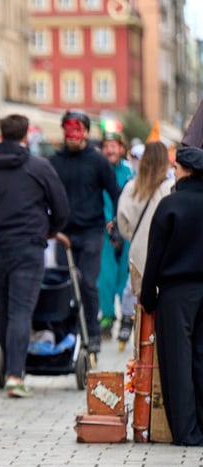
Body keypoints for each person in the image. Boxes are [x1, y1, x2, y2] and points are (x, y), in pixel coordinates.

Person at [0, 114, 69, 397]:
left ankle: (11, 366)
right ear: (27, 136)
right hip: (28, 246)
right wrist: (47, 231)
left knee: (4, 309)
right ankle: (15, 374)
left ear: (1, 134)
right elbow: (61, 209)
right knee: (22, 311)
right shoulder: (40, 167)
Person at [140, 146, 203, 446]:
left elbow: (155, 256)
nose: (174, 173)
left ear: (186, 171)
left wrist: (147, 296)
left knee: (177, 360)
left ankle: (187, 432)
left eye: (177, 169)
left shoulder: (170, 205)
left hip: (176, 292)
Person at [49, 110, 119, 354]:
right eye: (69, 132)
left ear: (87, 133)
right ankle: (68, 332)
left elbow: (115, 192)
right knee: (65, 284)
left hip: (91, 231)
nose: (73, 137)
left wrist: (117, 225)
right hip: (63, 234)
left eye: (78, 131)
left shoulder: (98, 161)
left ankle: (93, 332)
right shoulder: (54, 162)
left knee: (88, 283)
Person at [117, 142, 174, 299]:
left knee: (141, 305)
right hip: (164, 256)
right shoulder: (171, 188)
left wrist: (136, 237)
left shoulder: (131, 187)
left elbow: (122, 225)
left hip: (138, 254)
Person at [98, 130, 134, 340]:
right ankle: (107, 315)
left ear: (121, 148)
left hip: (127, 229)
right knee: (105, 275)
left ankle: (126, 315)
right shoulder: (98, 170)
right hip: (104, 229)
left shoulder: (129, 173)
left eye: (114, 146)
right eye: (106, 146)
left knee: (125, 274)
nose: (110, 150)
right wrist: (107, 221)